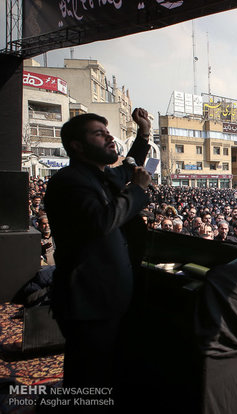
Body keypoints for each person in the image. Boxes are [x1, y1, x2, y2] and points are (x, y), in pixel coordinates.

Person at [45, 109, 152, 398]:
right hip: (88, 301)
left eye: (108, 133)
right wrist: (138, 192)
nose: (108, 137)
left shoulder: (98, 176)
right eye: (98, 133)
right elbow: (101, 221)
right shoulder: (70, 181)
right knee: (88, 376)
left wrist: (143, 134)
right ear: (77, 146)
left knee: (103, 371)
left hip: (105, 298)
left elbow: (127, 167)